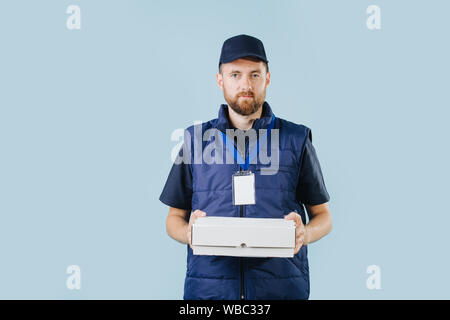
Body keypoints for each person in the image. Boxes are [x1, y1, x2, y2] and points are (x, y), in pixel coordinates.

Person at [159, 34, 332, 300]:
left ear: (267, 79)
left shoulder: (296, 139)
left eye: (254, 75)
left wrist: (304, 234)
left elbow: (324, 217)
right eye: (235, 74)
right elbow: (173, 220)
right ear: (220, 80)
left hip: (280, 291)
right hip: (209, 293)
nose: (245, 84)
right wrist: (189, 232)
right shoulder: (194, 141)